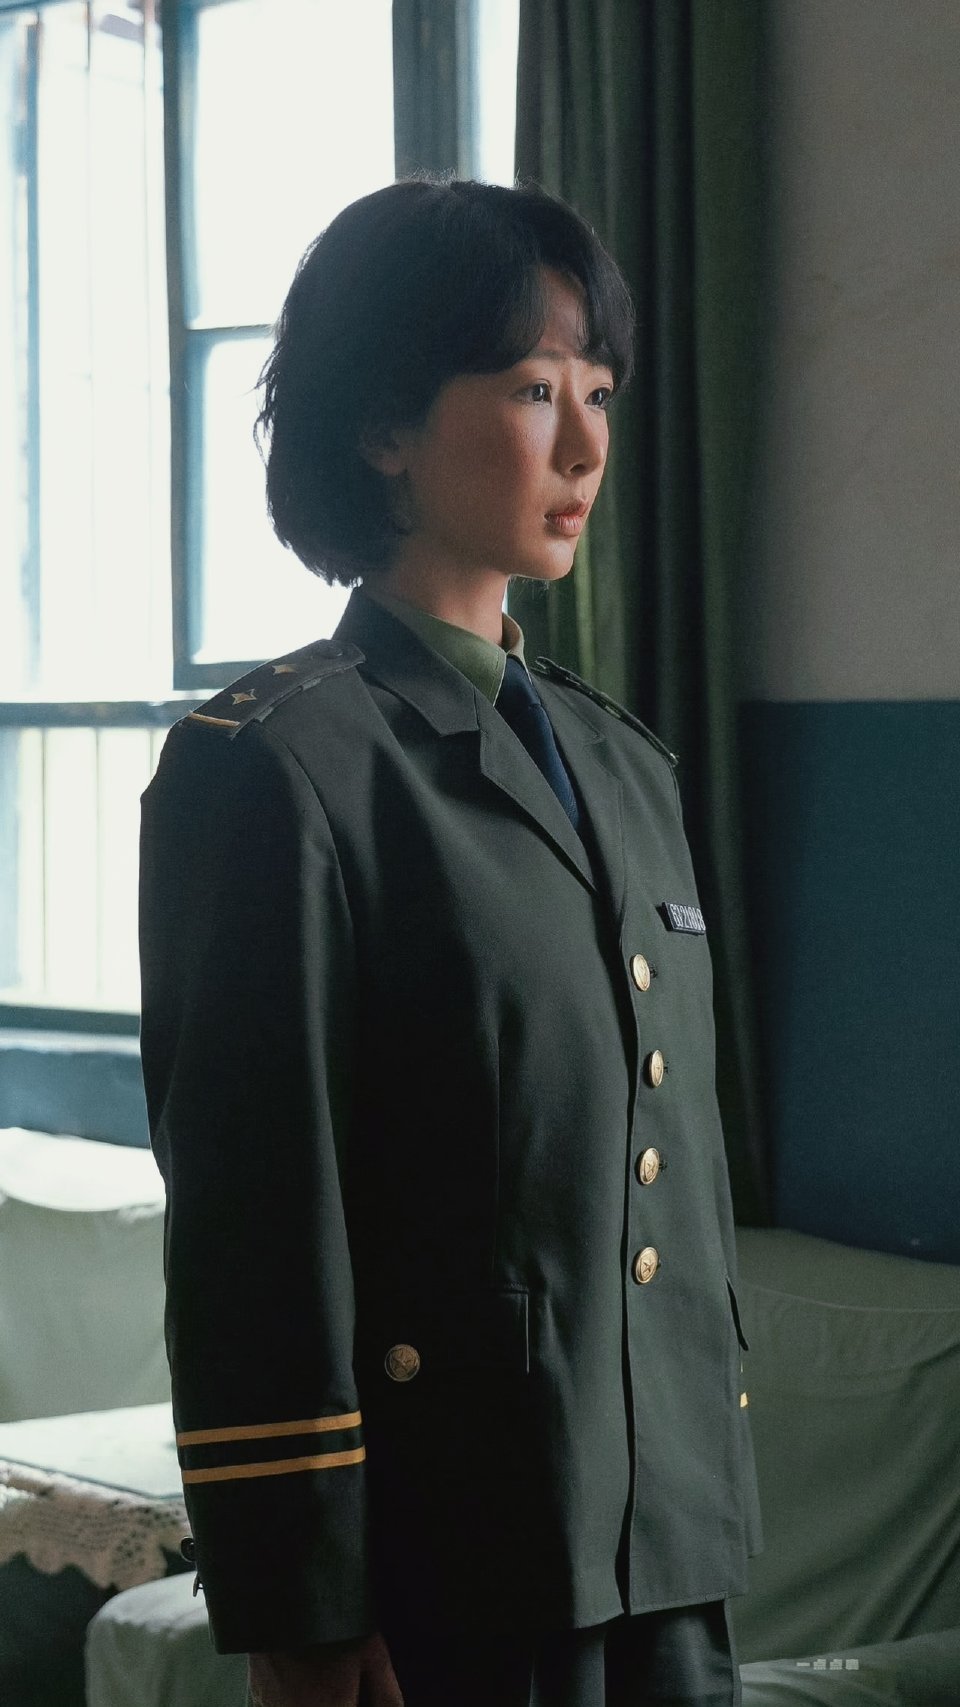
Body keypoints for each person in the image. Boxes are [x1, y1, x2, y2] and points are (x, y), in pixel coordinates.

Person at [138, 175, 763, 1707]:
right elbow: (255, 1225)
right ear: (384, 428)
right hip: (448, 1562)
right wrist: (300, 1592)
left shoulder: (627, 768)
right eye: (536, 389)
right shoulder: (280, 767)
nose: (587, 445)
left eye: (599, 392)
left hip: (664, 1548)